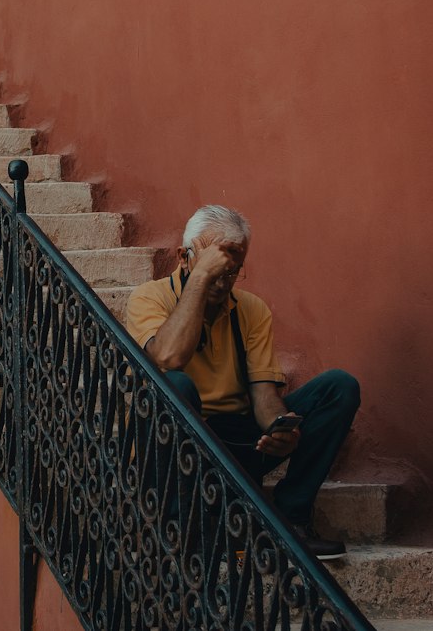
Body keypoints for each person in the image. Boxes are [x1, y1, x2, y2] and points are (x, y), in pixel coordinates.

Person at [125, 204, 360, 560]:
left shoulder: (251, 309)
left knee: (339, 387)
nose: (223, 280)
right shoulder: (149, 297)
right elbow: (168, 357)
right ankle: (179, 525)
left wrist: (280, 431)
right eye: (215, 269)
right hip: (174, 451)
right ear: (183, 258)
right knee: (176, 384)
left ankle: (291, 519)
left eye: (231, 272)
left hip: (235, 444)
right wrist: (200, 281)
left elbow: (264, 394)